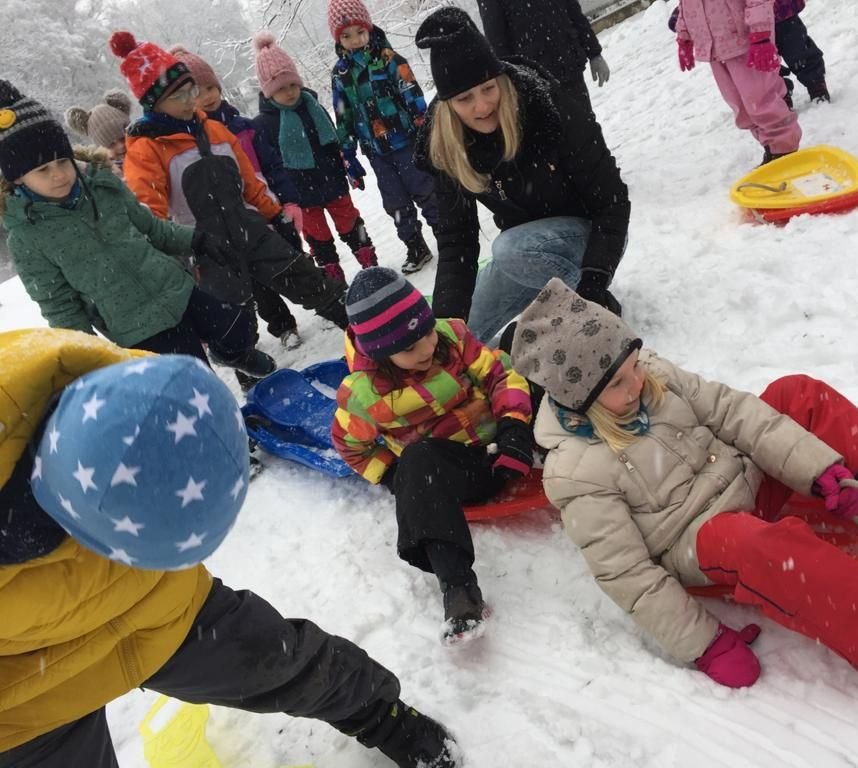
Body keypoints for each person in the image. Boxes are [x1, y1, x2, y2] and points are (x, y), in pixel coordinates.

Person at [0, 331, 460, 768]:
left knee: (281, 660)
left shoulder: (141, 394)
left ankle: (383, 717)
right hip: (28, 700)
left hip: (155, 606)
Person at [511, 278, 858, 693]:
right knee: (754, 543)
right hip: (699, 538)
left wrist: (815, 466)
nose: (637, 382)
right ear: (581, 400)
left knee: (795, 393)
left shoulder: (652, 375)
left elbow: (731, 411)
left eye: (634, 364)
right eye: (618, 383)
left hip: (743, 477)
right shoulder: (576, 470)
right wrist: (705, 645)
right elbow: (626, 573)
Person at [0, 79, 271, 377]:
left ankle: (232, 354)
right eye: (43, 170)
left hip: (174, 288)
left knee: (238, 329)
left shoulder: (103, 186)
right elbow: (59, 304)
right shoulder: (26, 238)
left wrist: (197, 240)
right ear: (17, 178)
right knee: (195, 380)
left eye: (63, 162)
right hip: (137, 327)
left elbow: (152, 229)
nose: (59, 175)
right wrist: (84, 354)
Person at [330, 268, 534, 644]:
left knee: (526, 351)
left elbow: (499, 375)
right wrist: (397, 476)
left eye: (426, 333)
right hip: (452, 473)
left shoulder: (451, 336)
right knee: (419, 458)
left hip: (506, 442)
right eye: (409, 348)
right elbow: (350, 445)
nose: (426, 349)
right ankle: (458, 589)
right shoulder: (363, 395)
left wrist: (514, 427)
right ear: (381, 354)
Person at [110, 31, 350, 340]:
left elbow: (249, 182)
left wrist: (276, 215)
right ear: (154, 103)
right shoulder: (147, 150)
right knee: (231, 324)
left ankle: (361, 327)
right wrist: (173, 253)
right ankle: (247, 360)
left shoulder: (214, 130)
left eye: (191, 90)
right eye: (178, 96)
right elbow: (149, 212)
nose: (190, 100)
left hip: (249, 227)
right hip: (205, 248)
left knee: (308, 279)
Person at [414, 7, 630, 345]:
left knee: (508, 248)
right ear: (448, 104)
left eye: (488, 88)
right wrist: (444, 326)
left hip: (591, 238)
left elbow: (611, 202)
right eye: (465, 98)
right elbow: (457, 242)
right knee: (460, 334)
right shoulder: (447, 145)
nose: (482, 106)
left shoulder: (548, 108)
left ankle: (592, 309)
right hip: (524, 255)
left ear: (499, 78)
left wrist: (594, 279)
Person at [169, 43, 303, 351]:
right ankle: (267, 332)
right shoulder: (188, 143)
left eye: (211, 87)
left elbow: (272, 166)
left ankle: (304, 311)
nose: (208, 96)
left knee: (284, 265)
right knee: (248, 284)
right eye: (198, 91)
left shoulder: (244, 127)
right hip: (227, 223)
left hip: (264, 210)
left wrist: (287, 200)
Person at [251, 31, 379, 288]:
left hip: (332, 179)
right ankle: (333, 281)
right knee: (318, 238)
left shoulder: (313, 107)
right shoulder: (263, 125)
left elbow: (333, 141)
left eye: (292, 85)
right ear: (268, 92)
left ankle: (370, 265)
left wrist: (347, 167)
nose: (289, 92)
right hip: (299, 192)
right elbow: (268, 164)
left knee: (351, 224)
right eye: (280, 88)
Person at [328, 0, 440, 275]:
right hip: (376, 151)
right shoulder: (340, 74)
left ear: (369, 29)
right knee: (395, 201)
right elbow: (343, 115)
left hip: (407, 142)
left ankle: (447, 233)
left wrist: (424, 129)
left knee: (426, 190)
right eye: (346, 36)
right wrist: (348, 153)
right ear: (338, 39)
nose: (355, 40)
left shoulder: (389, 59)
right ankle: (415, 244)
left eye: (360, 32)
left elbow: (412, 94)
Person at [673, 0, 801, 165]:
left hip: (747, 43)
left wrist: (760, 33)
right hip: (716, 48)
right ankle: (772, 147)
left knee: (761, 101)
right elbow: (686, 5)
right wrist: (684, 36)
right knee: (742, 107)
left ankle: (784, 148)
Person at [669, 1, 830, 108]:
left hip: (780, 12)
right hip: (745, 22)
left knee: (797, 50)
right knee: (763, 64)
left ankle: (816, 83)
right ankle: (780, 94)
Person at [476, 0, 610, 111]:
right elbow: (497, 42)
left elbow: (574, 12)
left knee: (587, 129)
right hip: (535, 85)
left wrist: (594, 54)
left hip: (569, 69)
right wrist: (511, 85)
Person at [63, 89, 132, 175]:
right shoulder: (108, 176)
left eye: (123, 138)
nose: (121, 146)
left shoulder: (145, 148)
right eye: (111, 144)